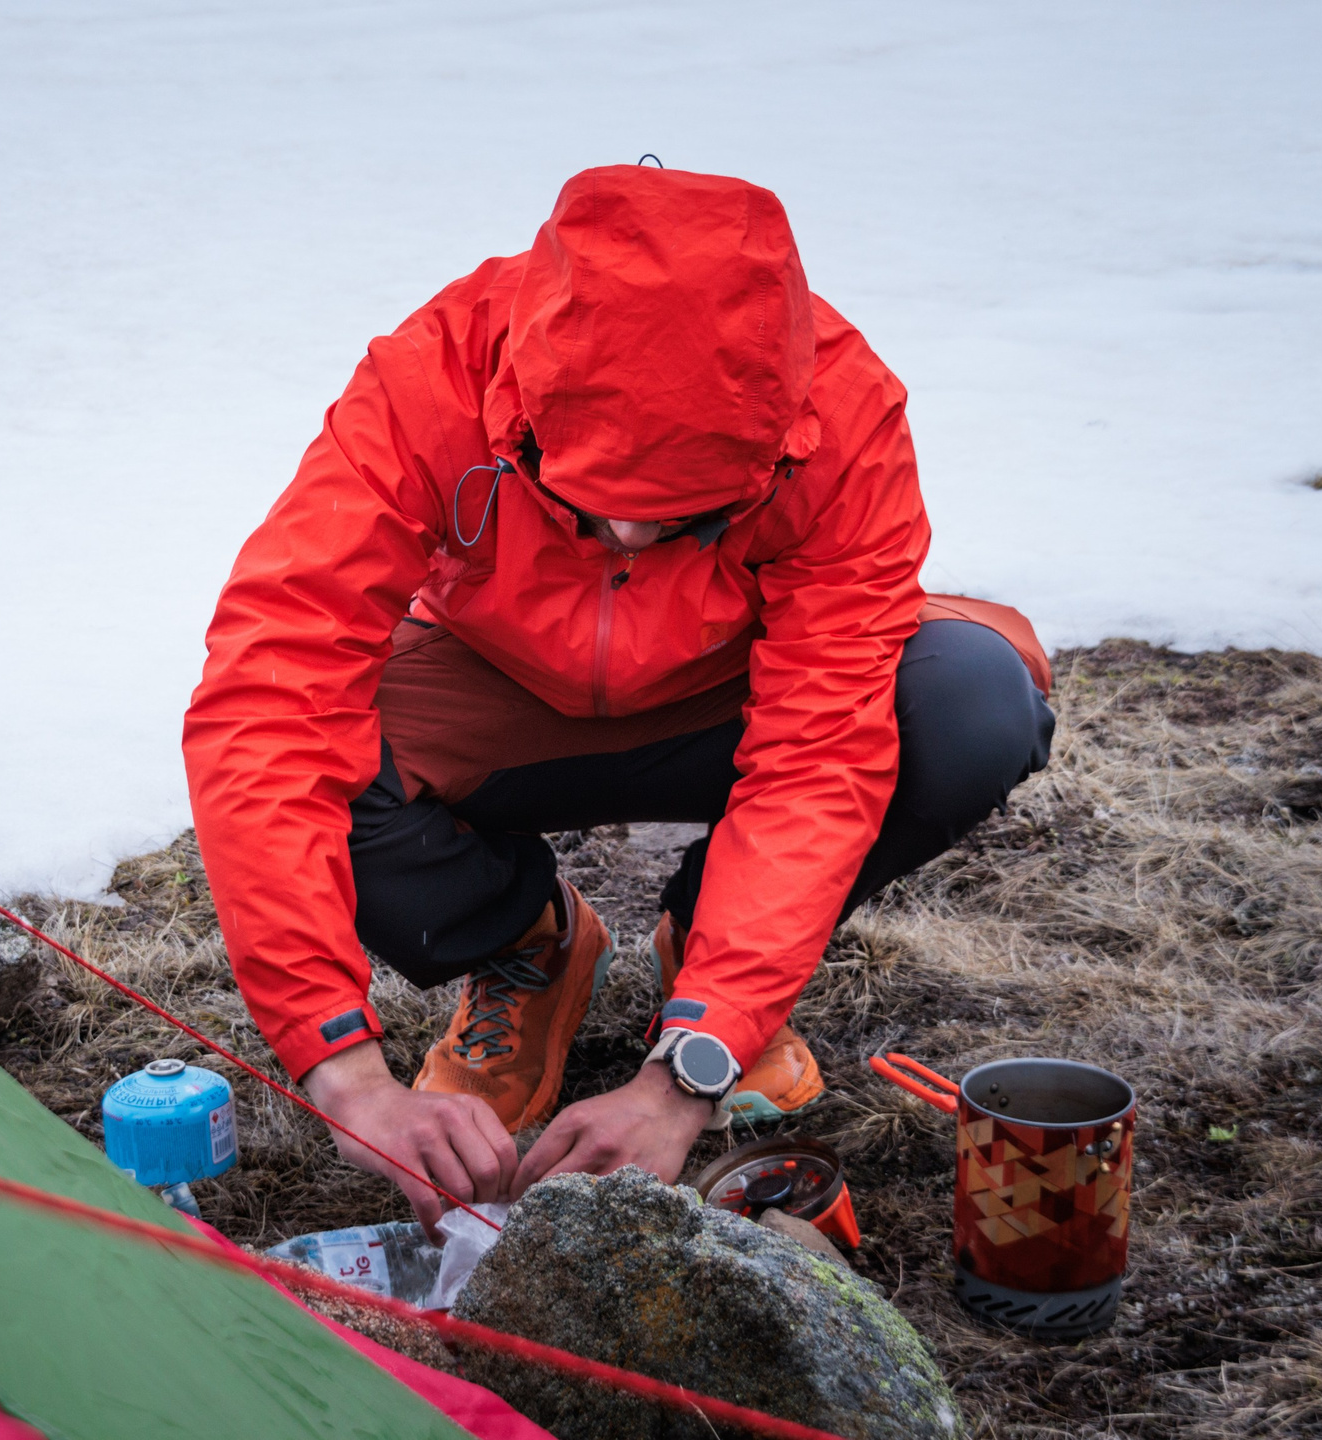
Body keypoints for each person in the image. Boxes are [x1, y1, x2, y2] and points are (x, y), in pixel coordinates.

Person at [184, 164, 1054, 1233]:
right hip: (488, 684)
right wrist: (344, 1073)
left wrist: (690, 1065)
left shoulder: (844, 410)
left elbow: (821, 753)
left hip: (729, 694)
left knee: (969, 704)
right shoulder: (434, 375)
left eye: (683, 516)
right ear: (524, 403)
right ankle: (525, 946)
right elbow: (271, 695)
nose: (635, 543)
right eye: (590, 506)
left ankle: (710, 960)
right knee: (311, 740)